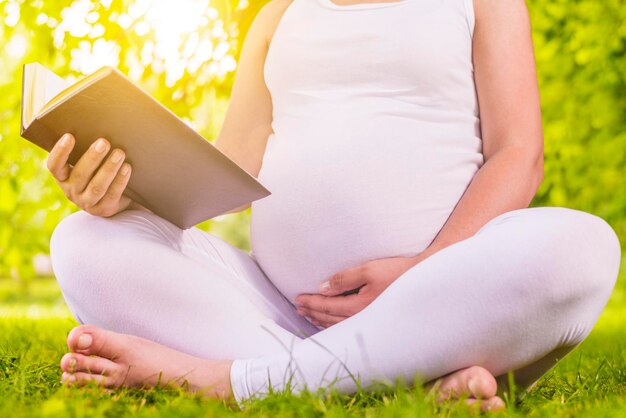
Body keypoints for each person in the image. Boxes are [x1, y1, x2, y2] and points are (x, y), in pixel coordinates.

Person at [47, 0, 621, 412]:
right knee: (84, 240)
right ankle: (395, 386)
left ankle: (229, 380)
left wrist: (423, 269)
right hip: (280, 312)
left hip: (440, 296)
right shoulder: (277, 13)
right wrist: (120, 192)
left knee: (582, 247)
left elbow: (519, 154)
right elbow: (231, 166)